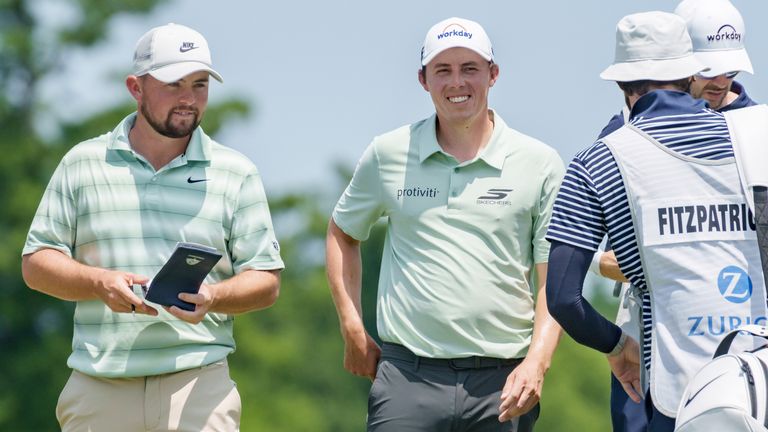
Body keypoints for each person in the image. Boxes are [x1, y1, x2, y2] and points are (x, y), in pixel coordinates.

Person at [21, 23, 284, 431]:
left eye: (199, 85)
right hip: (100, 385)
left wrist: (213, 296)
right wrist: (98, 283)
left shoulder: (237, 172)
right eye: (173, 84)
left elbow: (266, 281)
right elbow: (36, 264)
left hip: (199, 385)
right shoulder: (82, 163)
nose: (188, 99)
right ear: (136, 87)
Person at [326, 17, 564, 432]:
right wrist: (351, 324)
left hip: (502, 381)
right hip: (407, 376)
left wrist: (537, 362)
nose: (457, 82)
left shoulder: (540, 163)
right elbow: (342, 233)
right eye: (443, 70)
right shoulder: (388, 153)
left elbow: (554, 278)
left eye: (470, 68)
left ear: (493, 74)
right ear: (423, 79)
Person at [546, 11, 767, 432]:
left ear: (621, 83)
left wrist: (616, 346)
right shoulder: (758, 137)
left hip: (670, 389)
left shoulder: (597, 160)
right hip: (759, 383)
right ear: (691, 73)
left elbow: (562, 298)